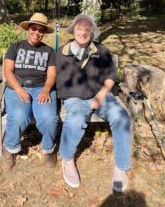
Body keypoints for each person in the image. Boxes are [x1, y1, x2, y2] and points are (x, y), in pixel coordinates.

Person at [56, 14, 131, 192]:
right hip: (74, 97)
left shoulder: (101, 51)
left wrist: (101, 95)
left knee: (121, 117)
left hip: (101, 95)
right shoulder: (61, 53)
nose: (83, 32)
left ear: (92, 33)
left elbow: (112, 77)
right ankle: (67, 159)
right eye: (79, 29)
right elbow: (52, 78)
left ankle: (121, 166)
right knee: (74, 119)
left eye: (87, 30)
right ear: (73, 30)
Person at [1, 13, 59, 171]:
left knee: (49, 119)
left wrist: (47, 90)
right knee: (19, 117)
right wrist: (19, 89)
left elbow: (52, 74)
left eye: (41, 30)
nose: (37, 33)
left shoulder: (49, 52)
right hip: (17, 87)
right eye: (34, 28)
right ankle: (10, 148)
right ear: (28, 29)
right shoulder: (15, 47)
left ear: (44, 33)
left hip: (42, 88)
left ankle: (49, 150)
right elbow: (8, 71)